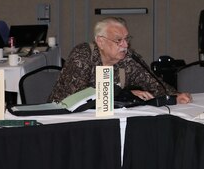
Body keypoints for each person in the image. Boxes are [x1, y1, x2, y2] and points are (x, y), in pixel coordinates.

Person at [48, 17, 192, 104]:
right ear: (100, 41)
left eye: (126, 39)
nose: (125, 45)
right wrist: (126, 95)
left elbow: (153, 83)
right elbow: (79, 96)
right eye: (118, 40)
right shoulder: (83, 54)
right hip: (63, 118)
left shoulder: (128, 58)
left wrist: (175, 96)